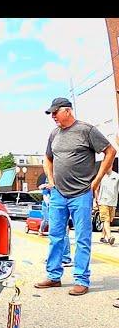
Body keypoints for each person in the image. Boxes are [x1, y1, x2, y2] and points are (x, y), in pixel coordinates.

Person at [34, 98, 116, 296]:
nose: (53, 116)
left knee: (82, 238)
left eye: (55, 112)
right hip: (58, 194)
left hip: (81, 194)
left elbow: (110, 151)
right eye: (51, 113)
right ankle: (54, 276)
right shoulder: (54, 134)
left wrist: (95, 182)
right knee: (55, 237)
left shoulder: (86, 130)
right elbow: (47, 157)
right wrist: (51, 179)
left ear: (68, 111)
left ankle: (81, 279)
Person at [96, 166, 119, 245]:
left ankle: (103, 237)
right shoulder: (101, 176)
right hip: (103, 201)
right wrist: (97, 199)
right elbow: (97, 188)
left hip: (112, 202)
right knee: (106, 220)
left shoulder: (116, 176)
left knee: (109, 220)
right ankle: (109, 237)